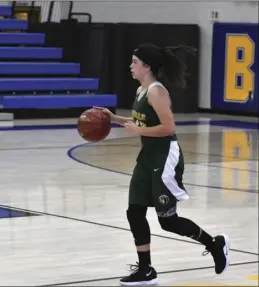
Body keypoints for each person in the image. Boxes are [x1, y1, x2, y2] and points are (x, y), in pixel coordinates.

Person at [94, 43, 230, 286]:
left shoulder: (157, 92)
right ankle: (146, 270)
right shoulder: (140, 91)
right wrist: (114, 118)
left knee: (168, 221)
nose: (131, 66)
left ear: (147, 66)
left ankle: (215, 244)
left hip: (165, 157)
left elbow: (168, 128)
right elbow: (141, 119)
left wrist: (138, 129)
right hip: (148, 156)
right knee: (134, 212)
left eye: (135, 62)